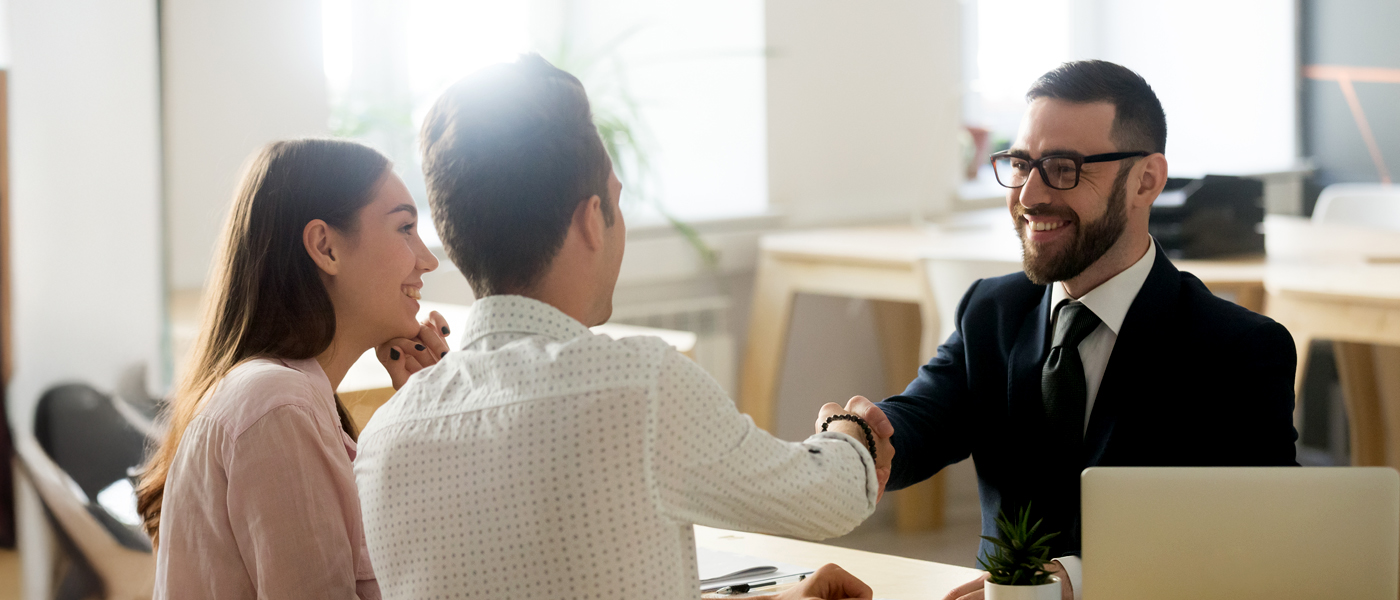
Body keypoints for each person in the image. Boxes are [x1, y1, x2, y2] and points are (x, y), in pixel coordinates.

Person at [353, 54, 893, 600]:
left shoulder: (381, 441)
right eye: (616, 202)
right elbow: (833, 496)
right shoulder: (640, 386)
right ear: (591, 219)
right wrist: (850, 430)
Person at [846, 60, 1299, 600]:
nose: (1030, 194)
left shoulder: (1238, 350)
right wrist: (860, 434)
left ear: (1146, 180)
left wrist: (1072, 582)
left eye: (1063, 167)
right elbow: (920, 423)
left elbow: (1257, 539)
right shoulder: (993, 309)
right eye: (1020, 163)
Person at [137, 139, 452, 599]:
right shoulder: (279, 404)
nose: (427, 260)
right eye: (405, 227)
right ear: (325, 247)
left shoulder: (286, 398)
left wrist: (413, 419)